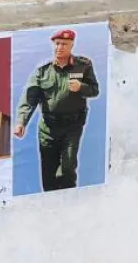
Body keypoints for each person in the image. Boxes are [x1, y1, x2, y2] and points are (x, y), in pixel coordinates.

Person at [14, 30, 100, 192]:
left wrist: (81, 87)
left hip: (72, 126)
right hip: (48, 129)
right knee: (48, 173)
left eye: (64, 44)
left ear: (72, 45)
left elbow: (95, 90)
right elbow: (29, 98)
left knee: (67, 166)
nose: (60, 47)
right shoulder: (42, 71)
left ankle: (70, 199)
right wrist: (21, 122)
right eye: (57, 43)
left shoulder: (83, 66)